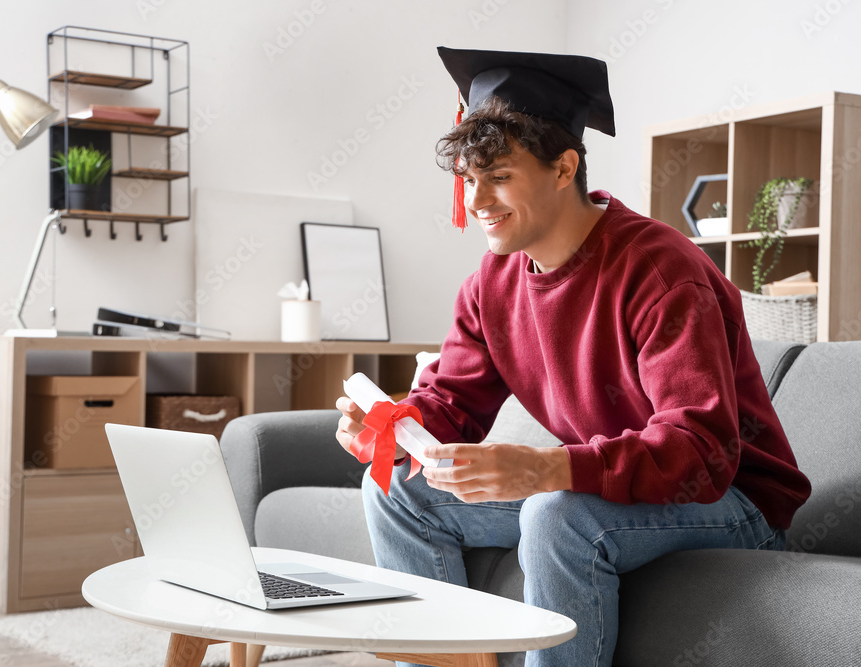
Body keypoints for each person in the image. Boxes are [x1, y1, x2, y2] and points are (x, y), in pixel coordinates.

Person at [335, 46, 811, 667]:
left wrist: (546, 470)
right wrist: (394, 430)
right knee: (397, 491)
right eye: (467, 178)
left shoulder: (661, 270)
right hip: (611, 487)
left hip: (731, 502)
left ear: (564, 168)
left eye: (499, 176)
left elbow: (702, 451)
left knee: (556, 515)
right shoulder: (492, 281)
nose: (477, 200)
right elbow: (451, 401)